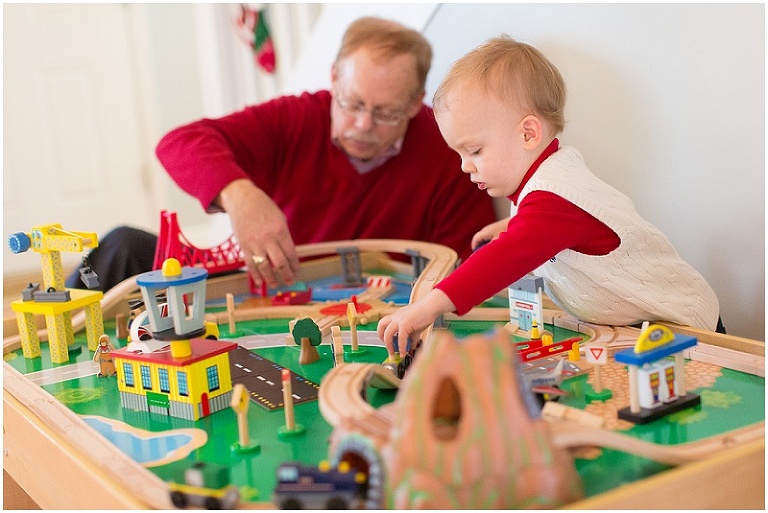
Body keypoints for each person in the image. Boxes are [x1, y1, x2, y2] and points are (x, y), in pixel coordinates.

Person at [66, 16, 496, 293]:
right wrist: (240, 194)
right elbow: (179, 142)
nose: (363, 124)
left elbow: (463, 271)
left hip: (371, 313)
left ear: (415, 100)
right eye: (350, 103)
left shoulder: (447, 150)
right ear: (333, 80)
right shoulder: (297, 118)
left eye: (385, 113)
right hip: (262, 289)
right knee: (122, 245)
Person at [378, 36, 723, 355]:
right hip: (640, 327)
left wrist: (427, 307)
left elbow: (504, 258)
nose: (465, 167)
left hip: (683, 328)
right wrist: (511, 225)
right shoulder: (550, 179)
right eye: (459, 155)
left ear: (529, 134)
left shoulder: (555, 197)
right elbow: (549, 228)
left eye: (475, 151)